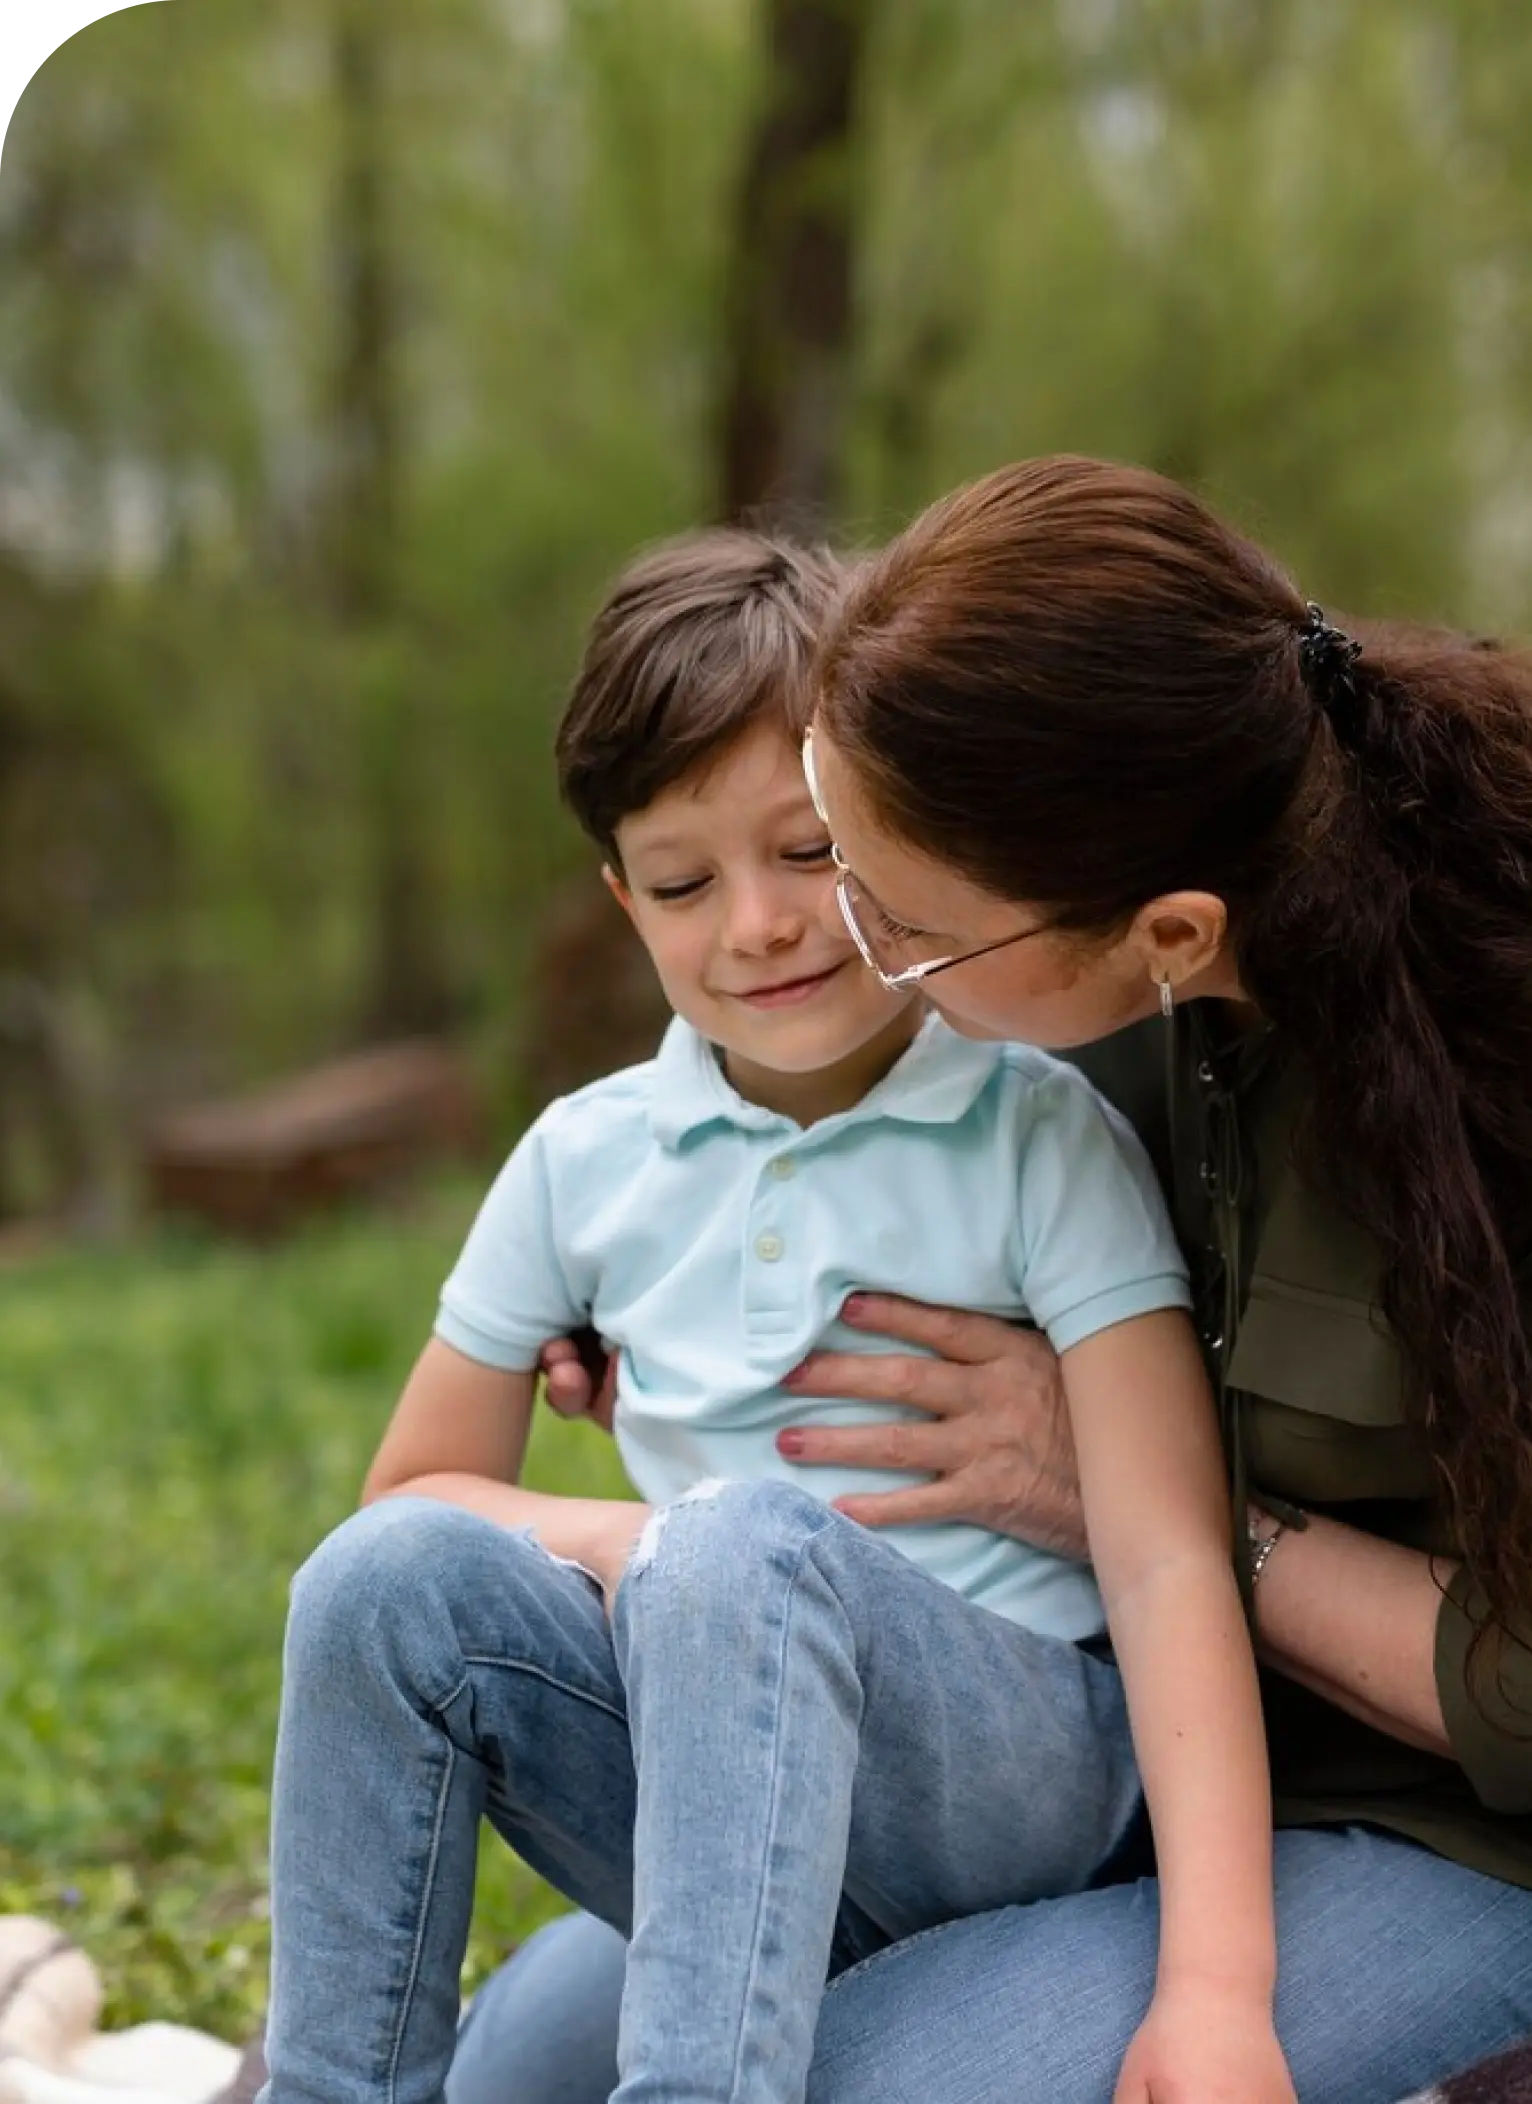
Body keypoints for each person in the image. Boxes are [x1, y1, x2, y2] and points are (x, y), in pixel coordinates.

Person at [460, 454, 1532, 2104]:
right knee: (515, 2075)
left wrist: (1126, 1500)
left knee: (858, 2085)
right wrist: (674, 1290)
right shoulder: (1095, 908)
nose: (841, 949)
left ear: (1167, 937)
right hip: (1174, 1757)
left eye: (905, 926)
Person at [259, 526, 1293, 2104]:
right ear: (625, 902)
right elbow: (416, 1500)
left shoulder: (1035, 1131)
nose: (759, 923)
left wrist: (1218, 1989)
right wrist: (659, 1542)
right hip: (710, 1752)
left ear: (899, 829)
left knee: (739, 1548)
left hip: (1010, 1774)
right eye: (685, 881)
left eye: (811, 853)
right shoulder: (584, 1162)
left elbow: (1164, 1557)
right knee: (376, 1584)